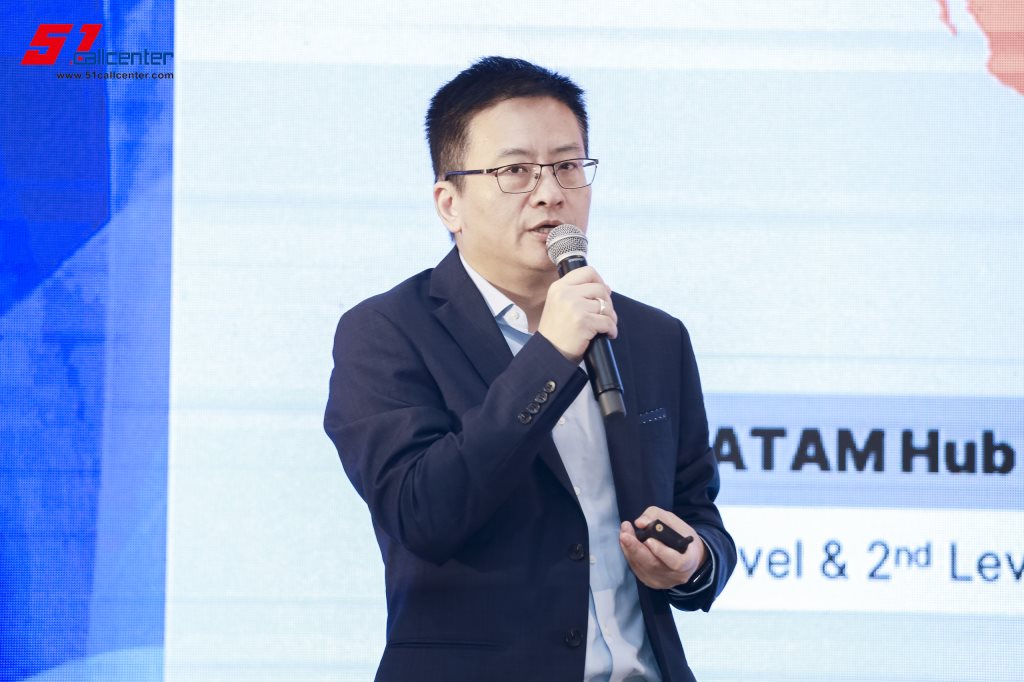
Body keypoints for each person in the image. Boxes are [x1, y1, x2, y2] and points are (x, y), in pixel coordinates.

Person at [324, 56, 735, 682]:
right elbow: (423, 512)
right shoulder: (385, 331)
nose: (551, 192)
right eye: (515, 170)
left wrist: (695, 562)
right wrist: (551, 354)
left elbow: (699, 513)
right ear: (449, 203)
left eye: (568, 165)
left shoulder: (654, 336)